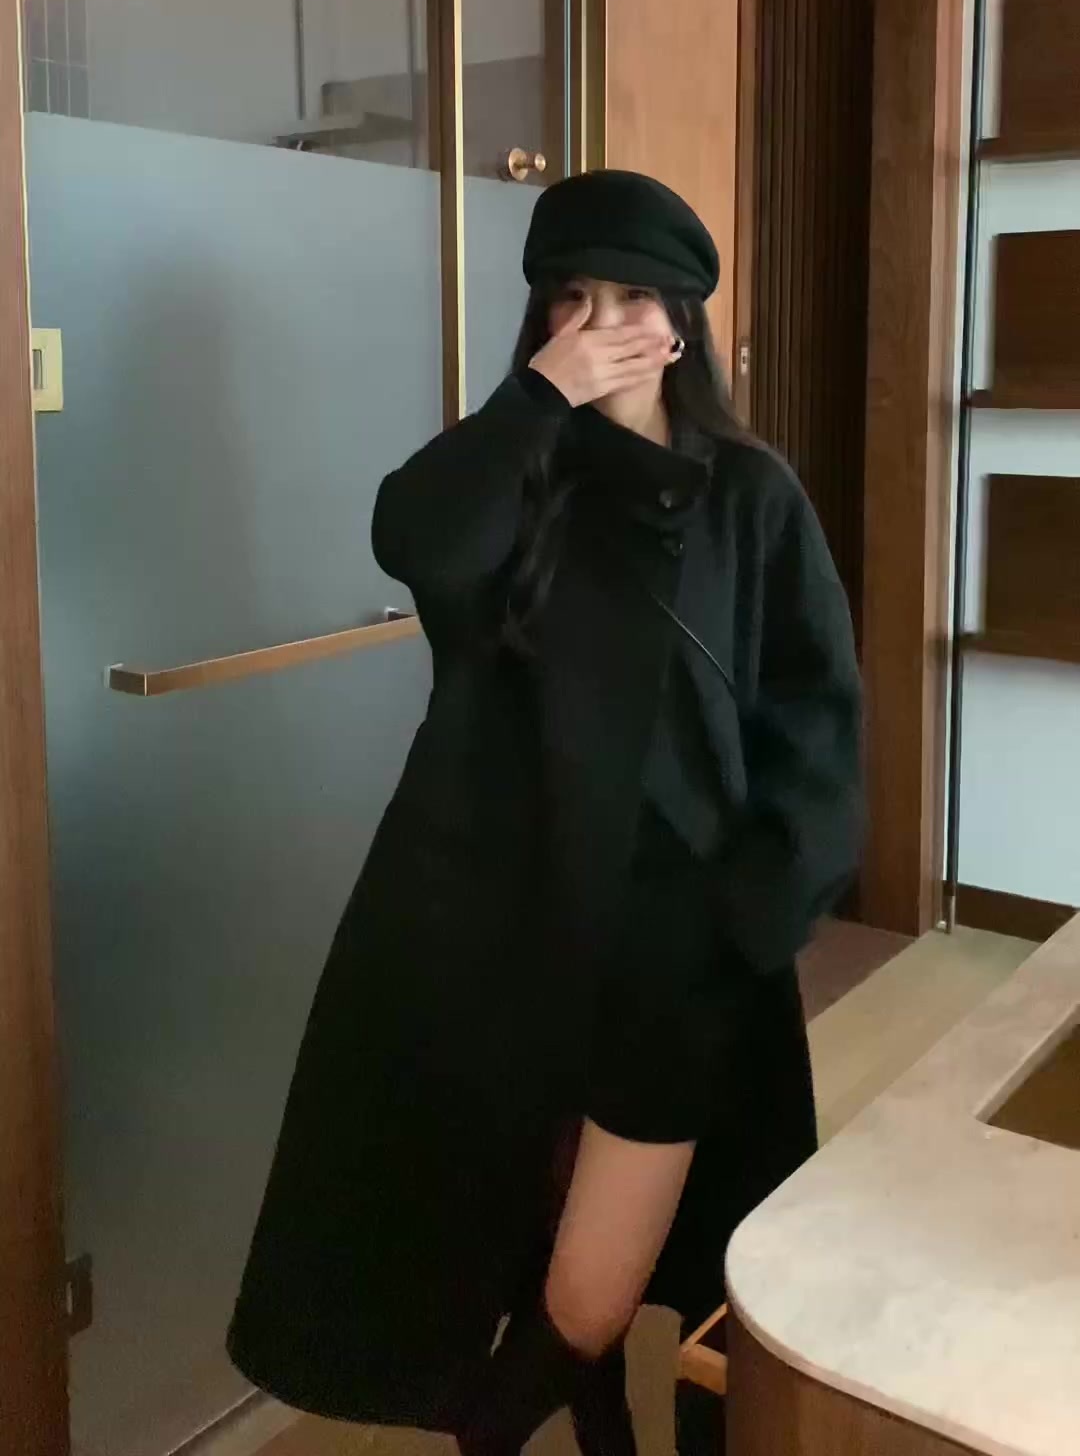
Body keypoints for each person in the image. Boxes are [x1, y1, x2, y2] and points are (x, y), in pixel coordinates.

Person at [228, 170, 863, 1456]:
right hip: (505, 924)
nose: (602, 324)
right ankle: (584, 1411)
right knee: (509, 1221)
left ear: (681, 322)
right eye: (573, 299)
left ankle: (523, 1410)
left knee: (605, 1283)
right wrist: (538, 401)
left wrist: (756, 910)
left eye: (631, 298)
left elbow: (818, 718)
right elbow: (415, 539)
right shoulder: (519, 472)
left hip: (678, 941)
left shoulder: (749, 493)